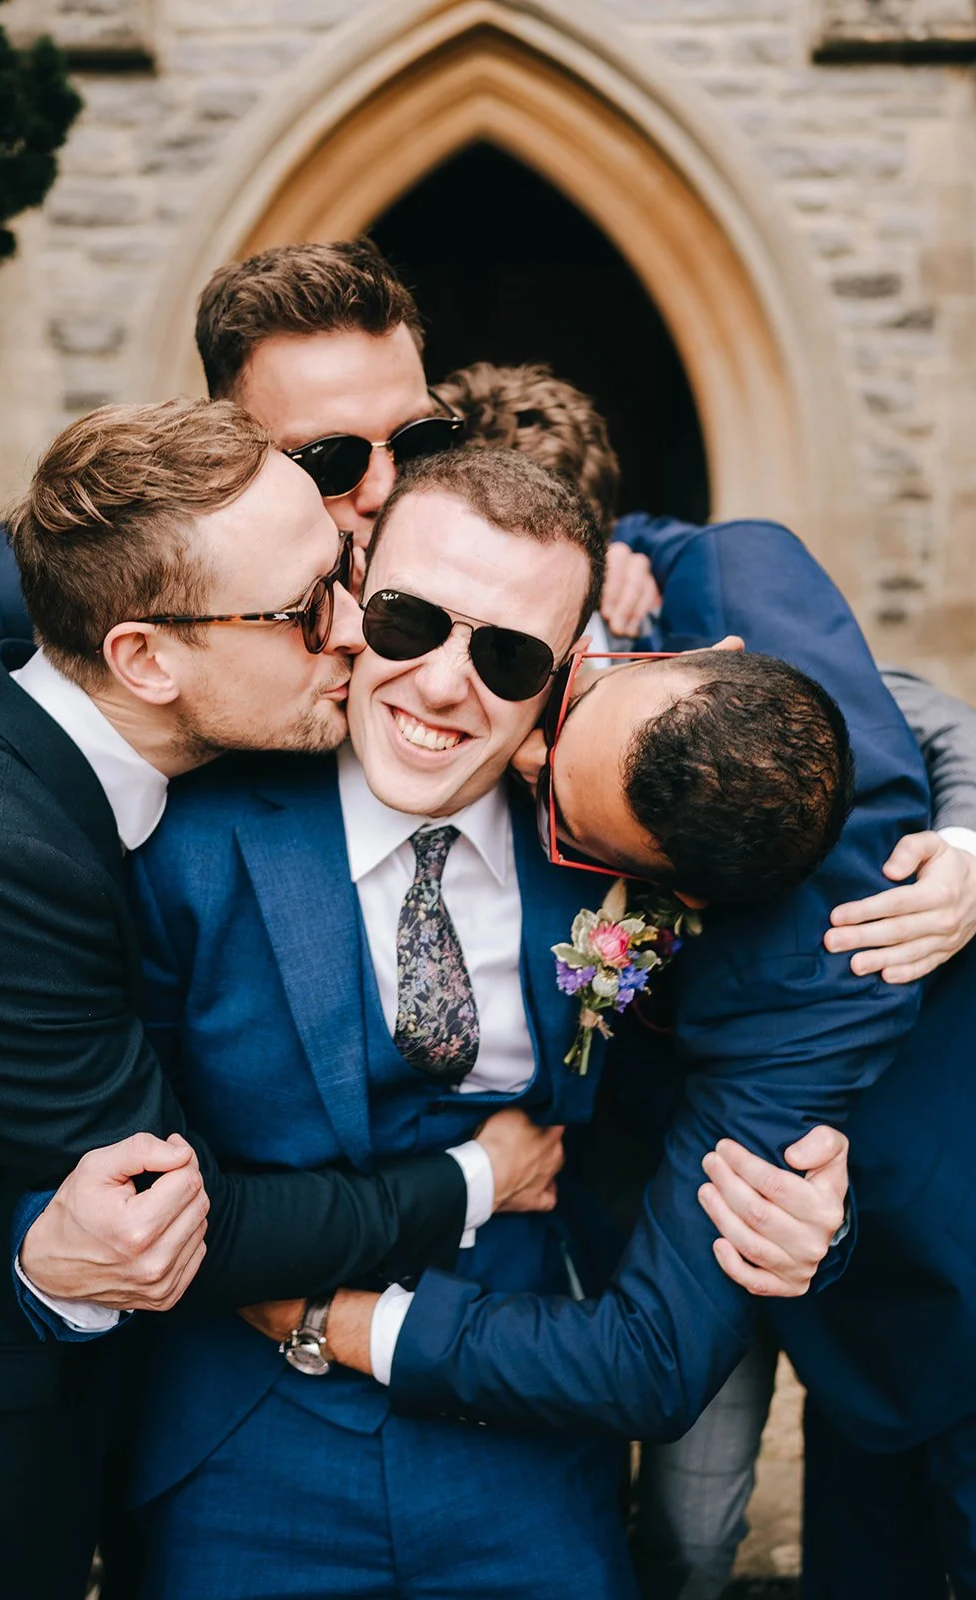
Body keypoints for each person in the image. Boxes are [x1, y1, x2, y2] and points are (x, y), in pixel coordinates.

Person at [92, 444, 893, 1600]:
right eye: (412, 619)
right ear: (354, 590)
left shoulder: (633, 832)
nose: (444, 685)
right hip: (235, 1432)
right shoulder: (183, 824)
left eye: (510, 654)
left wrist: (815, 1216)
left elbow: (731, 1083)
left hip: (529, 1431)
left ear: (570, 669)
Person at [0, 399, 567, 1600]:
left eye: (348, 576)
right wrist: (483, 1176)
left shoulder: (13, 745)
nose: (357, 634)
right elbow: (176, 1216)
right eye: (304, 607)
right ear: (145, 659)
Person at [442, 356, 976, 1597]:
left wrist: (964, 849)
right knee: (689, 1536)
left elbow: (934, 719)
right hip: (626, 1184)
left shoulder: (723, 628)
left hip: (880, 1212)